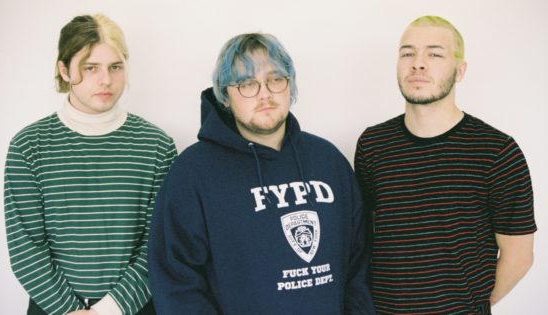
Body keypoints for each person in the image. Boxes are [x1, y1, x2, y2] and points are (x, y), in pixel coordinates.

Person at [148, 33, 375, 314]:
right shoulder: (192, 174)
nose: (265, 93)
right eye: (247, 84)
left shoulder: (328, 161)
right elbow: (176, 282)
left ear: (290, 85)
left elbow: (358, 266)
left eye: (275, 79)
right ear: (224, 95)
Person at [354, 15, 536, 314]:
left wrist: (472, 307)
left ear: (460, 70)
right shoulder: (373, 144)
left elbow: (519, 257)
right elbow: (368, 239)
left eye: (435, 54)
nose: (418, 63)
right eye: (407, 53)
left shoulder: (497, 151)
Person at [3, 14, 177, 315]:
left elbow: (159, 243)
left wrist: (108, 310)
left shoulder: (157, 146)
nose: (106, 80)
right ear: (64, 69)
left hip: (134, 308)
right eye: (90, 67)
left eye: (115, 67)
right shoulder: (28, 147)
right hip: (52, 308)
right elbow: (26, 247)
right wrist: (70, 310)